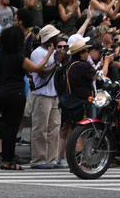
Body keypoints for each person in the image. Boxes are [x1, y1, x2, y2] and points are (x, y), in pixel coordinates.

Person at [0, 24, 28, 170]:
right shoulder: (19, 57)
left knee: (5, 126)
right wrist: (49, 56)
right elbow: (36, 69)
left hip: (1, 93)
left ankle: (5, 158)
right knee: (13, 128)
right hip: (16, 93)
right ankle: (9, 160)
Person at [25, 25, 63, 168]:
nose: (57, 38)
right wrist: (56, 61)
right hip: (41, 94)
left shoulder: (52, 52)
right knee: (40, 128)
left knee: (54, 128)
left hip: (53, 94)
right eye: (55, 36)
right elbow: (42, 72)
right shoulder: (38, 53)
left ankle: (51, 159)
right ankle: (39, 159)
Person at [58, 35, 98, 165]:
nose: (88, 53)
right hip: (81, 102)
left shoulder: (69, 65)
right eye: (86, 51)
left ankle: (62, 157)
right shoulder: (83, 66)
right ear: (81, 54)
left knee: (67, 129)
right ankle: (79, 160)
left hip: (68, 102)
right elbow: (95, 77)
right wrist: (106, 63)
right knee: (81, 131)